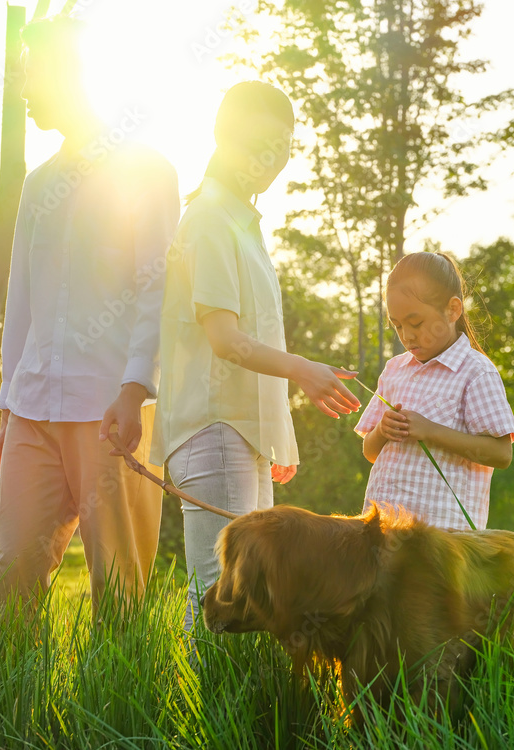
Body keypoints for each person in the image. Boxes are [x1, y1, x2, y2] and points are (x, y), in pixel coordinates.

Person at [0, 16, 179, 618]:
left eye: (32, 70)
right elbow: (20, 300)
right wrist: (5, 406)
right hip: (33, 408)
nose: (23, 86)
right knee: (8, 575)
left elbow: (158, 288)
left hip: (111, 410)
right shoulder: (38, 183)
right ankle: (3, 711)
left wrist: (134, 387)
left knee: (120, 593)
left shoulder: (146, 170)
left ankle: (119, 710)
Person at [152, 81, 361, 630]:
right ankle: (206, 716)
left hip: (240, 439)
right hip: (214, 433)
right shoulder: (210, 222)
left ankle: (238, 715)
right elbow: (225, 340)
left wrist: (277, 437)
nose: (271, 162)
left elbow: (258, 337)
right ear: (223, 138)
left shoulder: (242, 224)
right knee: (224, 602)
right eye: (259, 145)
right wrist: (305, 374)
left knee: (254, 602)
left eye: (283, 149)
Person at [355, 251, 514, 531]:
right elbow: (371, 452)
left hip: (441, 540)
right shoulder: (395, 369)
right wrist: (382, 430)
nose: (406, 335)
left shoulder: (475, 371)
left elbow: (501, 454)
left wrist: (430, 431)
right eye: (397, 325)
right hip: (381, 530)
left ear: (453, 310)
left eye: (416, 323)